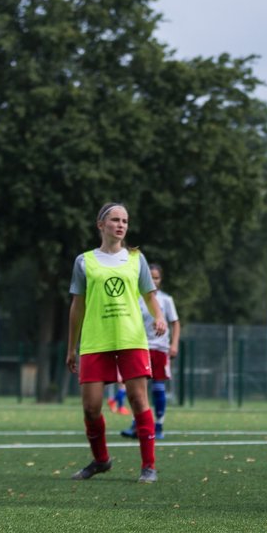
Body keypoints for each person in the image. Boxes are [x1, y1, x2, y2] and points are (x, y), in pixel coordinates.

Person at [66, 202, 166, 483]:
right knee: (91, 407)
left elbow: (150, 295)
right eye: (114, 220)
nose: (121, 225)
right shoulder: (84, 261)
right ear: (101, 225)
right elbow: (77, 306)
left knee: (137, 399)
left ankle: (149, 466)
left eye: (125, 220)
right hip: (96, 341)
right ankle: (101, 460)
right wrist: (71, 347)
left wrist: (158, 317)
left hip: (131, 338)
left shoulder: (136, 259)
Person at [122, 262, 180, 440]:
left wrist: (174, 344)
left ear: (161, 280)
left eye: (157, 278)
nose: (153, 281)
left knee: (158, 388)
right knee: (138, 390)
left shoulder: (165, 300)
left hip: (160, 349)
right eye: (150, 277)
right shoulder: (136, 299)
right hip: (141, 348)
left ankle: (159, 425)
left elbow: (175, 323)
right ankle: (137, 425)